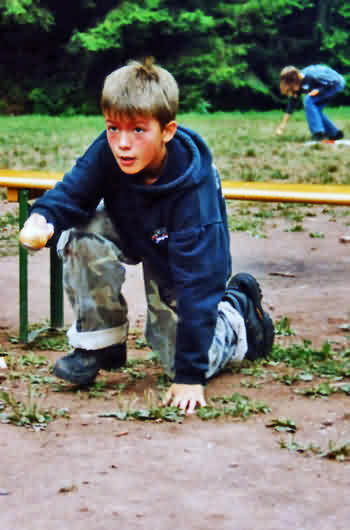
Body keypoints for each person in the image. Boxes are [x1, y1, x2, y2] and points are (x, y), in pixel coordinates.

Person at [19, 57, 274, 415]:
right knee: (82, 232)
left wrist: (189, 376)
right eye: (113, 129)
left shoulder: (194, 196)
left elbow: (197, 286)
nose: (122, 143)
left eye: (138, 131)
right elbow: (74, 190)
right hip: (132, 226)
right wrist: (43, 218)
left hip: (177, 254)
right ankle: (98, 344)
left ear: (167, 130)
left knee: (177, 358)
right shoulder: (111, 149)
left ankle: (236, 315)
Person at [276, 64, 346, 141]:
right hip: (326, 86)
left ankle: (318, 134)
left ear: (294, 80)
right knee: (315, 110)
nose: (291, 89)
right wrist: (282, 125)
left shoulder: (314, 75)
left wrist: (319, 90)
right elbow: (291, 104)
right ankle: (335, 134)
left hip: (335, 84)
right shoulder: (297, 84)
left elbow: (334, 80)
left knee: (308, 100)